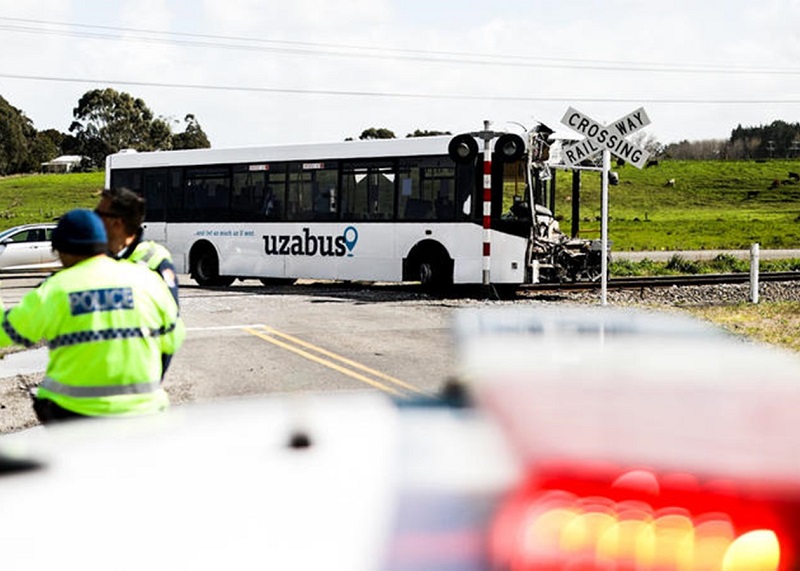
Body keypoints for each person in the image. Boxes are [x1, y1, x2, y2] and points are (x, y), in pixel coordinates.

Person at [0, 209, 185, 424]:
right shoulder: (147, 280)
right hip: (145, 412)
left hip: (74, 416)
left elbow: (6, 333)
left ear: (62, 250)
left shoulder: (54, 290)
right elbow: (174, 338)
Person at [95, 187, 179, 305]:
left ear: (117, 223)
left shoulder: (155, 259)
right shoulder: (95, 256)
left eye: (98, 214)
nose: (93, 219)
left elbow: (170, 310)